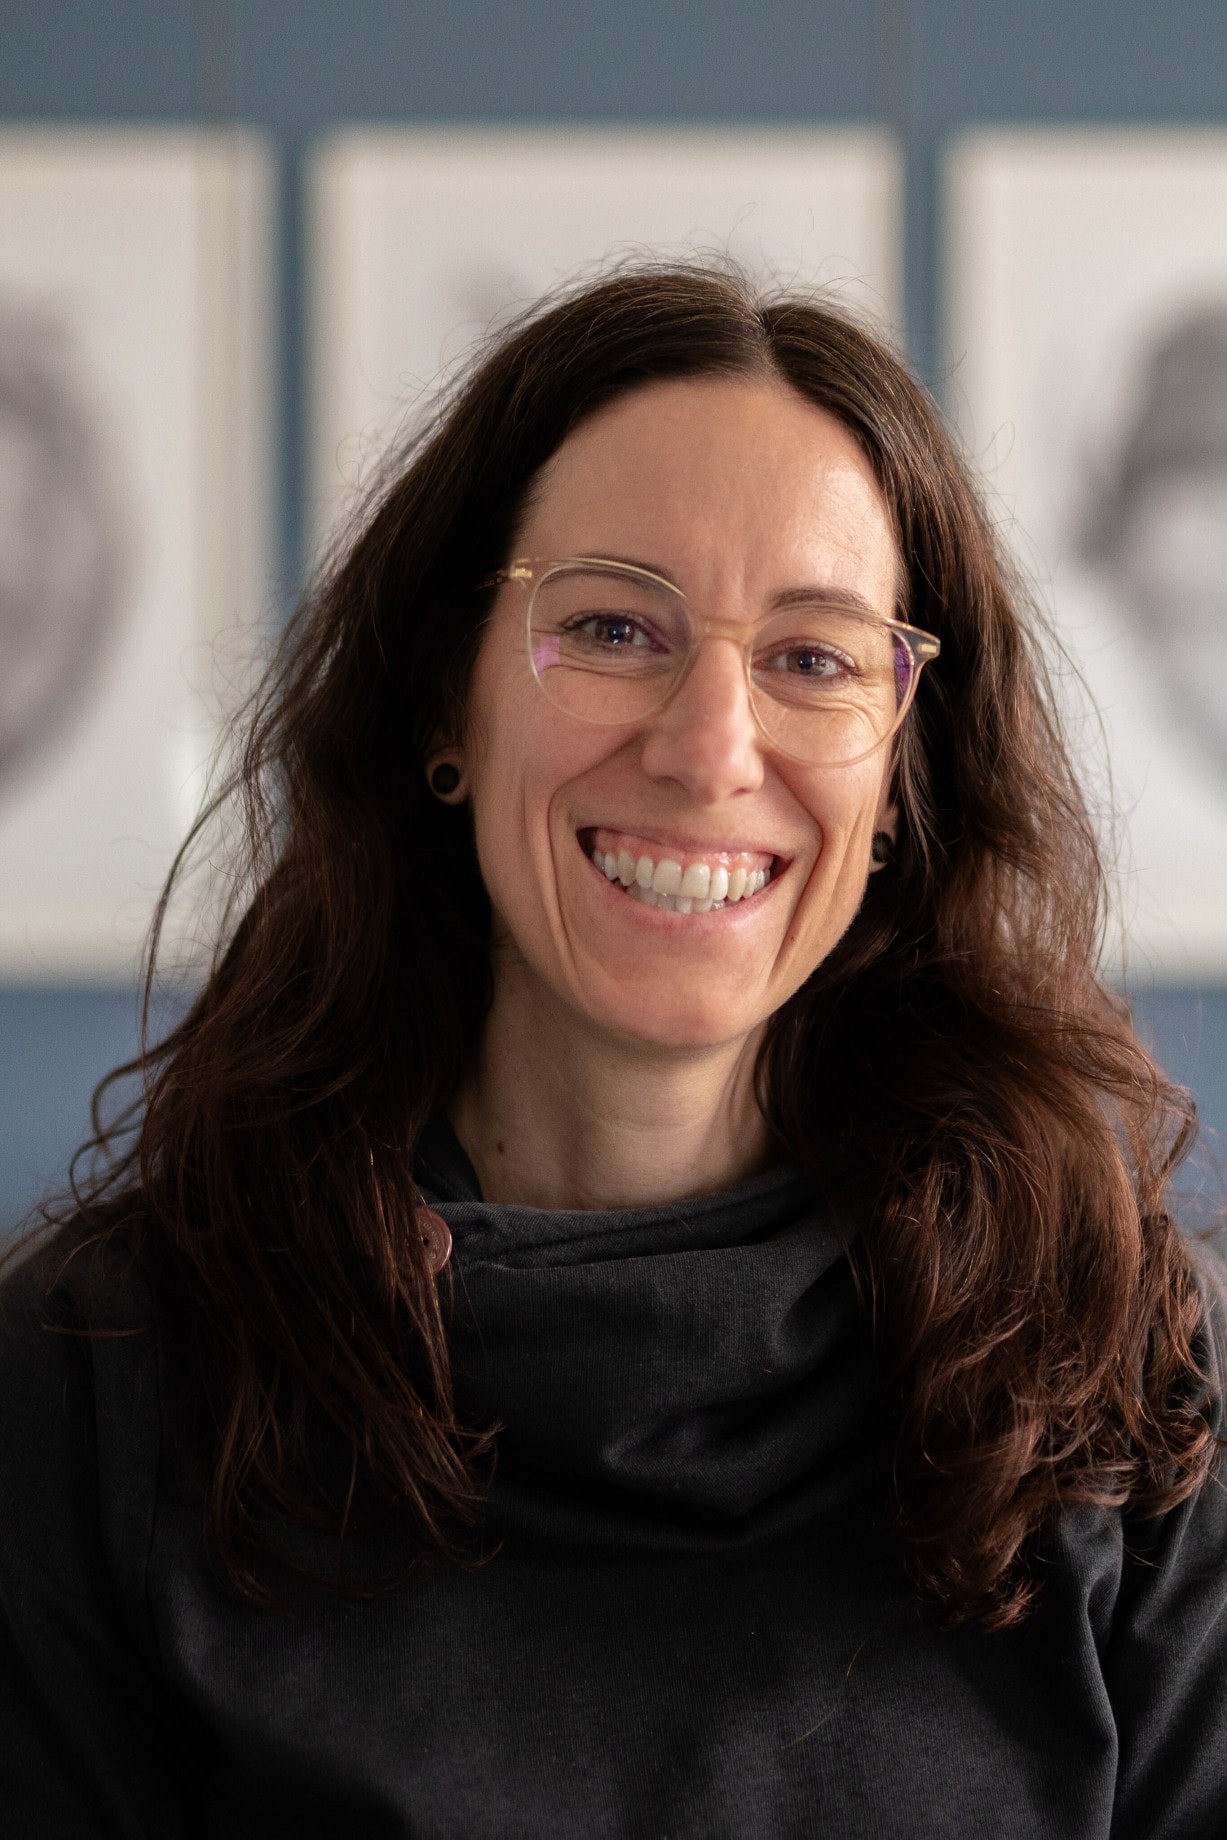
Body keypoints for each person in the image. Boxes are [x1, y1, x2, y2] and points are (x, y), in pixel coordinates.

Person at [2, 265, 1225, 1838]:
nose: (711, 747)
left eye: (814, 656)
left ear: (903, 778)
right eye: (610, 626)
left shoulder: (1117, 1364)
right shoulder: (96, 1380)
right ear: (447, 700)